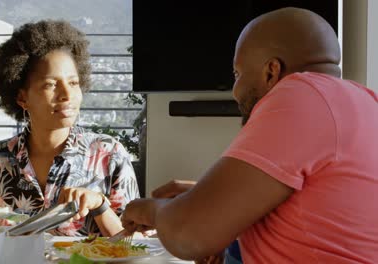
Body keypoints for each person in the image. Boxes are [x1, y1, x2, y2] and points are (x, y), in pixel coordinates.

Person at [121, 7, 378, 263]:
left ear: (271, 71)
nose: (235, 91)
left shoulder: (300, 93)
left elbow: (190, 236)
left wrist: (154, 211)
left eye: (237, 74)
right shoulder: (366, 102)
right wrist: (213, 201)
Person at [0, 20, 140, 237]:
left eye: (73, 83)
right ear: (22, 97)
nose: (67, 94)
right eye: (51, 85)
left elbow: (135, 244)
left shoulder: (109, 155)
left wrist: (100, 205)